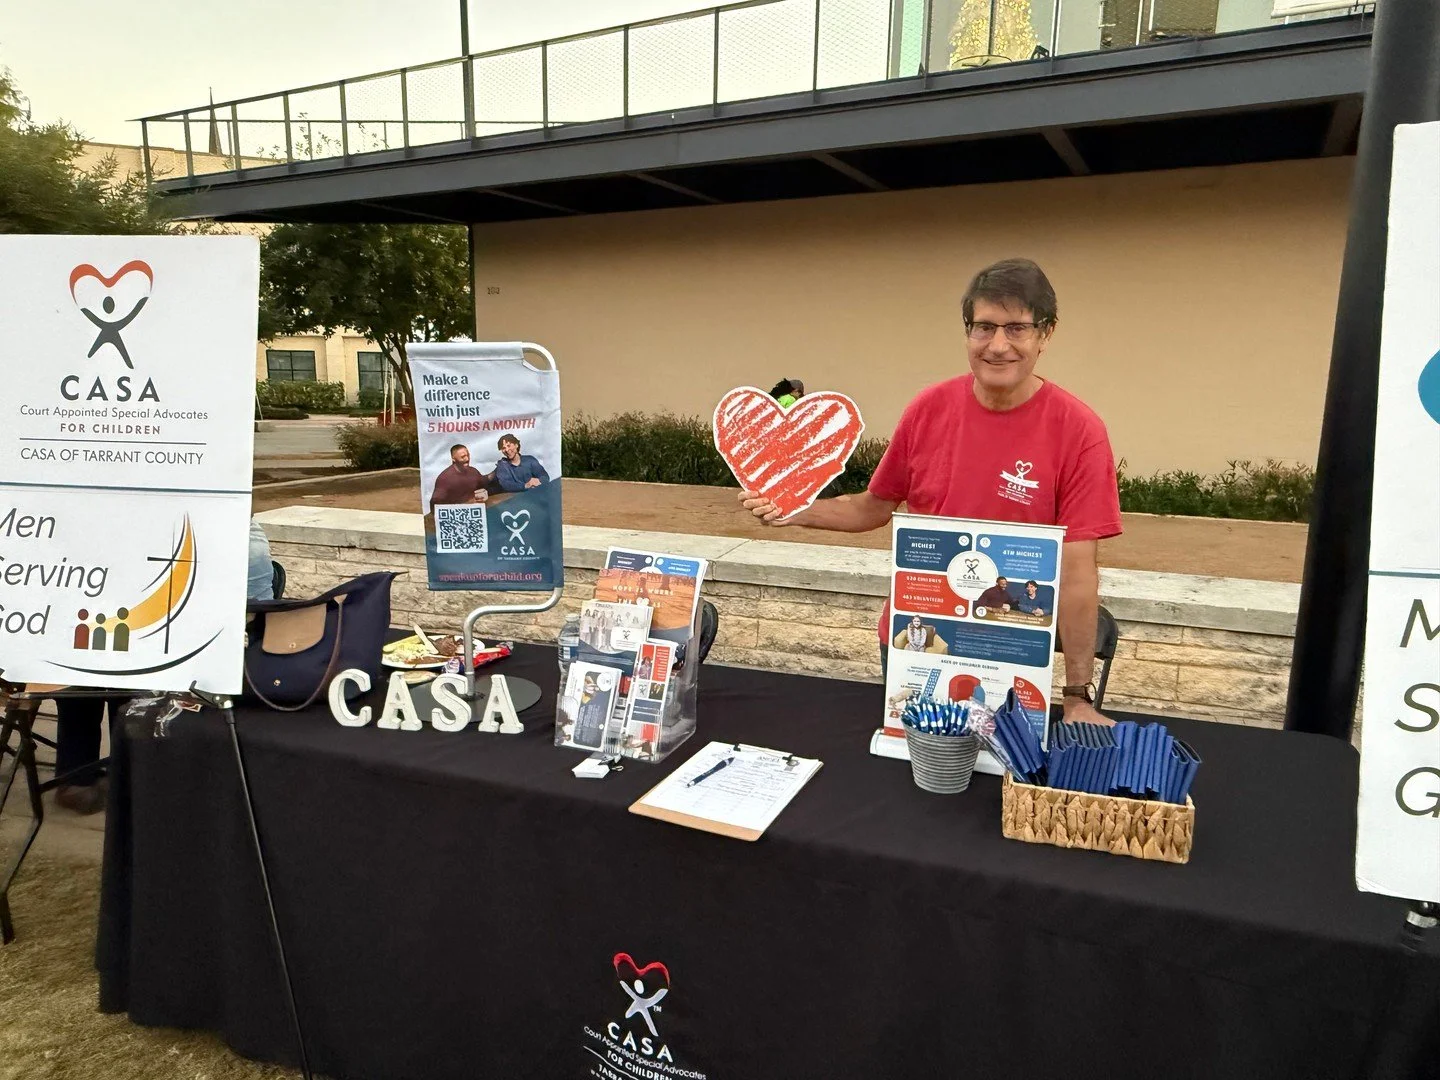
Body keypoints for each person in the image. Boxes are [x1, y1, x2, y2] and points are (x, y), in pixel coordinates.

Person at [739, 258, 1121, 725]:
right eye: (984, 327)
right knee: (914, 778)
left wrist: (1078, 695)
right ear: (967, 332)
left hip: (1009, 648)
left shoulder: (1079, 431)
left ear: (1046, 334)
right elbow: (872, 507)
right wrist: (793, 509)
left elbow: (1079, 572)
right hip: (914, 640)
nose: (998, 345)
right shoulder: (928, 409)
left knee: (993, 783)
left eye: (1017, 328)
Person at [429, 444, 491, 508]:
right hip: (457, 514)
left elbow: (484, 483)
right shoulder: (445, 478)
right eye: (463, 456)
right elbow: (435, 504)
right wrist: (467, 504)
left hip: (475, 513)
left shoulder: (473, 472)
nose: (467, 459)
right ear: (453, 459)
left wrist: (484, 494)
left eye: (468, 455)